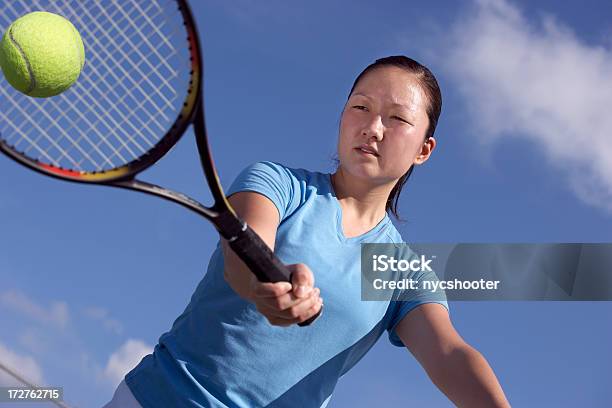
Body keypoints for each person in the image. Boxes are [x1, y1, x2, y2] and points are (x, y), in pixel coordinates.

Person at [104, 56, 510, 407]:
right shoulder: (275, 183)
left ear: (424, 149)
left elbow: (448, 352)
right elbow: (243, 258)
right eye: (361, 108)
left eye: (397, 118)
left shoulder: (401, 270)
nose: (373, 127)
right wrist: (267, 289)